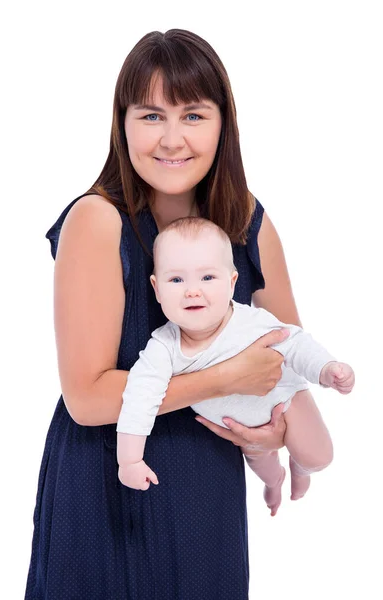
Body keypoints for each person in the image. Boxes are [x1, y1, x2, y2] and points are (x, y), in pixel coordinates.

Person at [25, 28, 320, 599]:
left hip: (206, 487)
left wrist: (274, 432)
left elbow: (284, 358)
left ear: (222, 125)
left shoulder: (248, 224)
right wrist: (224, 378)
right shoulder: (98, 219)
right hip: (105, 485)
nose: (171, 139)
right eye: (151, 115)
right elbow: (86, 398)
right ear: (123, 123)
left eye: (192, 115)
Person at [116, 217, 355, 516]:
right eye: (176, 280)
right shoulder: (163, 349)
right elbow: (139, 400)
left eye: (207, 278)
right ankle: (276, 480)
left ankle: (300, 466)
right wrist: (130, 460)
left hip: (285, 400)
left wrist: (326, 368)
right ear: (157, 288)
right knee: (266, 470)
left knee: (318, 456)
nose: (192, 290)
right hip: (239, 431)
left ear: (232, 282)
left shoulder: (250, 323)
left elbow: (295, 343)